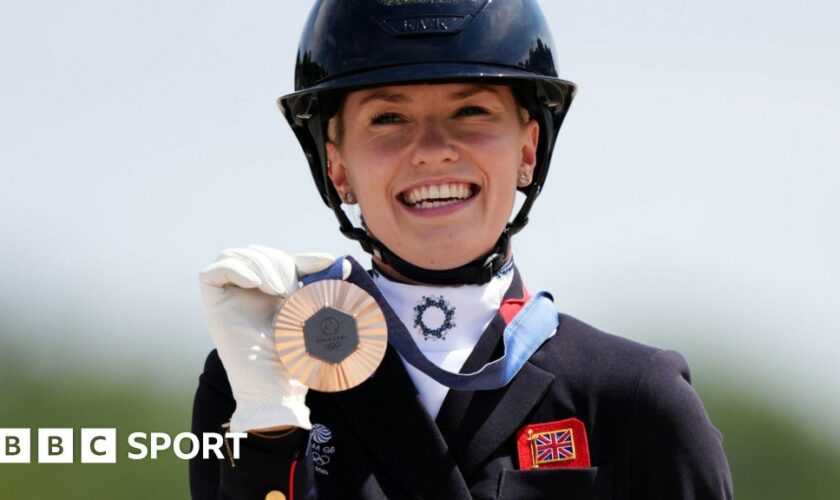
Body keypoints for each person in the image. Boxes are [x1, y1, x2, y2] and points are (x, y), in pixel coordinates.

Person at [190, 0, 733, 499]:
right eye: (388, 118)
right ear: (337, 167)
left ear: (528, 149)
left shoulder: (635, 398)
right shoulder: (256, 382)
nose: (431, 150)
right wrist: (268, 424)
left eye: (471, 112)